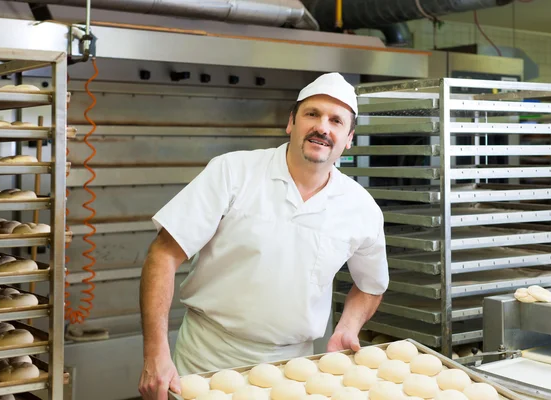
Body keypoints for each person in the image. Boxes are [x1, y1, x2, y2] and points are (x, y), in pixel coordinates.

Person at [138, 72, 389, 400]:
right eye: (312, 114)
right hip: (208, 361)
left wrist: (349, 325)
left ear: (349, 138)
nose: (322, 128)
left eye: (336, 121)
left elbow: (371, 284)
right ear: (291, 122)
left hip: (296, 371)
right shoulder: (232, 173)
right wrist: (155, 353)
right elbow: (163, 255)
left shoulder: (361, 208)